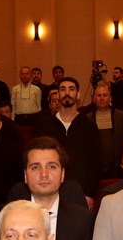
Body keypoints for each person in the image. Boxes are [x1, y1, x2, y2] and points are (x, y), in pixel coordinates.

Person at [33, 77, 101, 205]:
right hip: (48, 191)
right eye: (63, 89)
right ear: (57, 94)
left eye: (71, 89)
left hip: (80, 193)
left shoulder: (89, 126)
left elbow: (95, 162)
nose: (67, 93)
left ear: (78, 94)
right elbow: (34, 159)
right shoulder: (43, 125)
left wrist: (89, 194)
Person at [86, 80, 123, 179]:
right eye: (99, 95)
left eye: (105, 95)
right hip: (96, 166)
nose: (101, 98)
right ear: (94, 98)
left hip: (117, 166)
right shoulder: (88, 118)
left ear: (110, 98)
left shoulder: (121, 116)